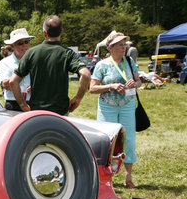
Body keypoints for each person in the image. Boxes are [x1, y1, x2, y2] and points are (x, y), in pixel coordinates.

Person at [9, 15, 91, 115]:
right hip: (60, 112)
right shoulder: (67, 53)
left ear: (44, 33)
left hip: (36, 112)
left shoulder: (31, 53)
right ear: (61, 31)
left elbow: (13, 81)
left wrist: (22, 104)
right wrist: (78, 98)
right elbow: (86, 74)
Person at [89, 32, 141, 189]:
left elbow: (139, 82)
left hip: (127, 105)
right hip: (107, 107)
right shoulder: (102, 65)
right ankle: (105, 178)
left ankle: (128, 177)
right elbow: (92, 88)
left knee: (129, 140)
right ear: (110, 48)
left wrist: (135, 83)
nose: (123, 47)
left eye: (124, 44)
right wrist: (110, 86)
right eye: (119, 44)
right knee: (107, 141)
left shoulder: (129, 61)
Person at [0, 28, 34, 111]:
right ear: (12, 46)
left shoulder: (35, 61)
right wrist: (19, 74)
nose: (24, 45)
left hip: (32, 102)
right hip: (13, 104)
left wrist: (35, 86)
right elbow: (6, 85)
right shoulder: (4, 62)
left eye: (26, 42)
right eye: (20, 43)